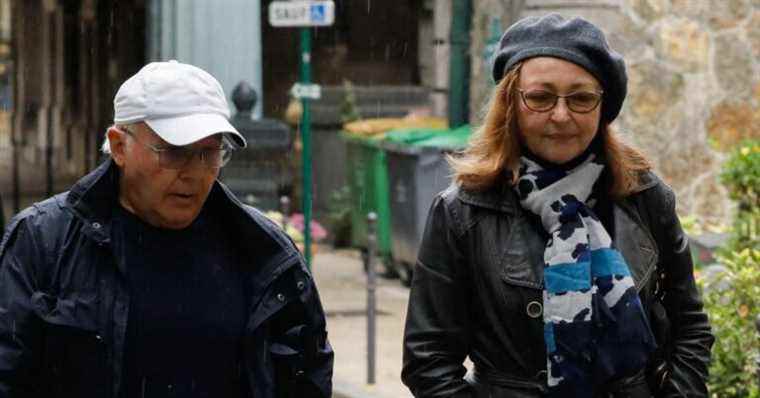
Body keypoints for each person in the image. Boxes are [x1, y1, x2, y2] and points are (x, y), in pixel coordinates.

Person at [402, 14, 713, 398]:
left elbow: (691, 327)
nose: (561, 115)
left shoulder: (646, 199)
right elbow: (428, 362)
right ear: (511, 103)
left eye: (581, 98)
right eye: (540, 97)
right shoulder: (463, 211)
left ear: (603, 107)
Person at [0, 60, 333, 397]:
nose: (194, 173)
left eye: (210, 153)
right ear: (119, 146)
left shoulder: (264, 251)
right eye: (174, 153)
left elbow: (305, 376)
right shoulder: (42, 241)